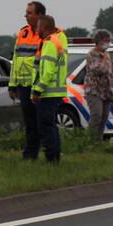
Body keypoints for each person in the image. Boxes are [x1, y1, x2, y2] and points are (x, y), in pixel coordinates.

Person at [9, 1, 45, 159]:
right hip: (23, 85)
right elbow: (15, 59)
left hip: (38, 85)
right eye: (26, 12)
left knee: (40, 122)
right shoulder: (22, 33)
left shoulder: (47, 34)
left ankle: (40, 152)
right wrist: (12, 85)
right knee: (29, 122)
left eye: (29, 13)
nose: (26, 15)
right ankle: (30, 154)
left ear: (39, 15)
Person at [32, 15, 68, 163]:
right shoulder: (56, 40)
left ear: (44, 27)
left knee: (46, 127)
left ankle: (51, 158)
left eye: (38, 27)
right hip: (54, 91)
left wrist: (37, 90)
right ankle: (54, 156)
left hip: (48, 92)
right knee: (51, 125)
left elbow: (47, 72)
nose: (36, 29)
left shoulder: (49, 43)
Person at [85, 29, 113, 140]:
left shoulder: (106, 54)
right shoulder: (93, 54)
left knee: (104, 117)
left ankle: (98, 141)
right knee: (96, 116)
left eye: (108, 40)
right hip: (94, 90)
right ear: (98, 41)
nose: (107, 42)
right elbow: (99, 70)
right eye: (105, 40)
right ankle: (89, 140)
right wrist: (103, 58)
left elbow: (110, 72)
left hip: (107, 91)